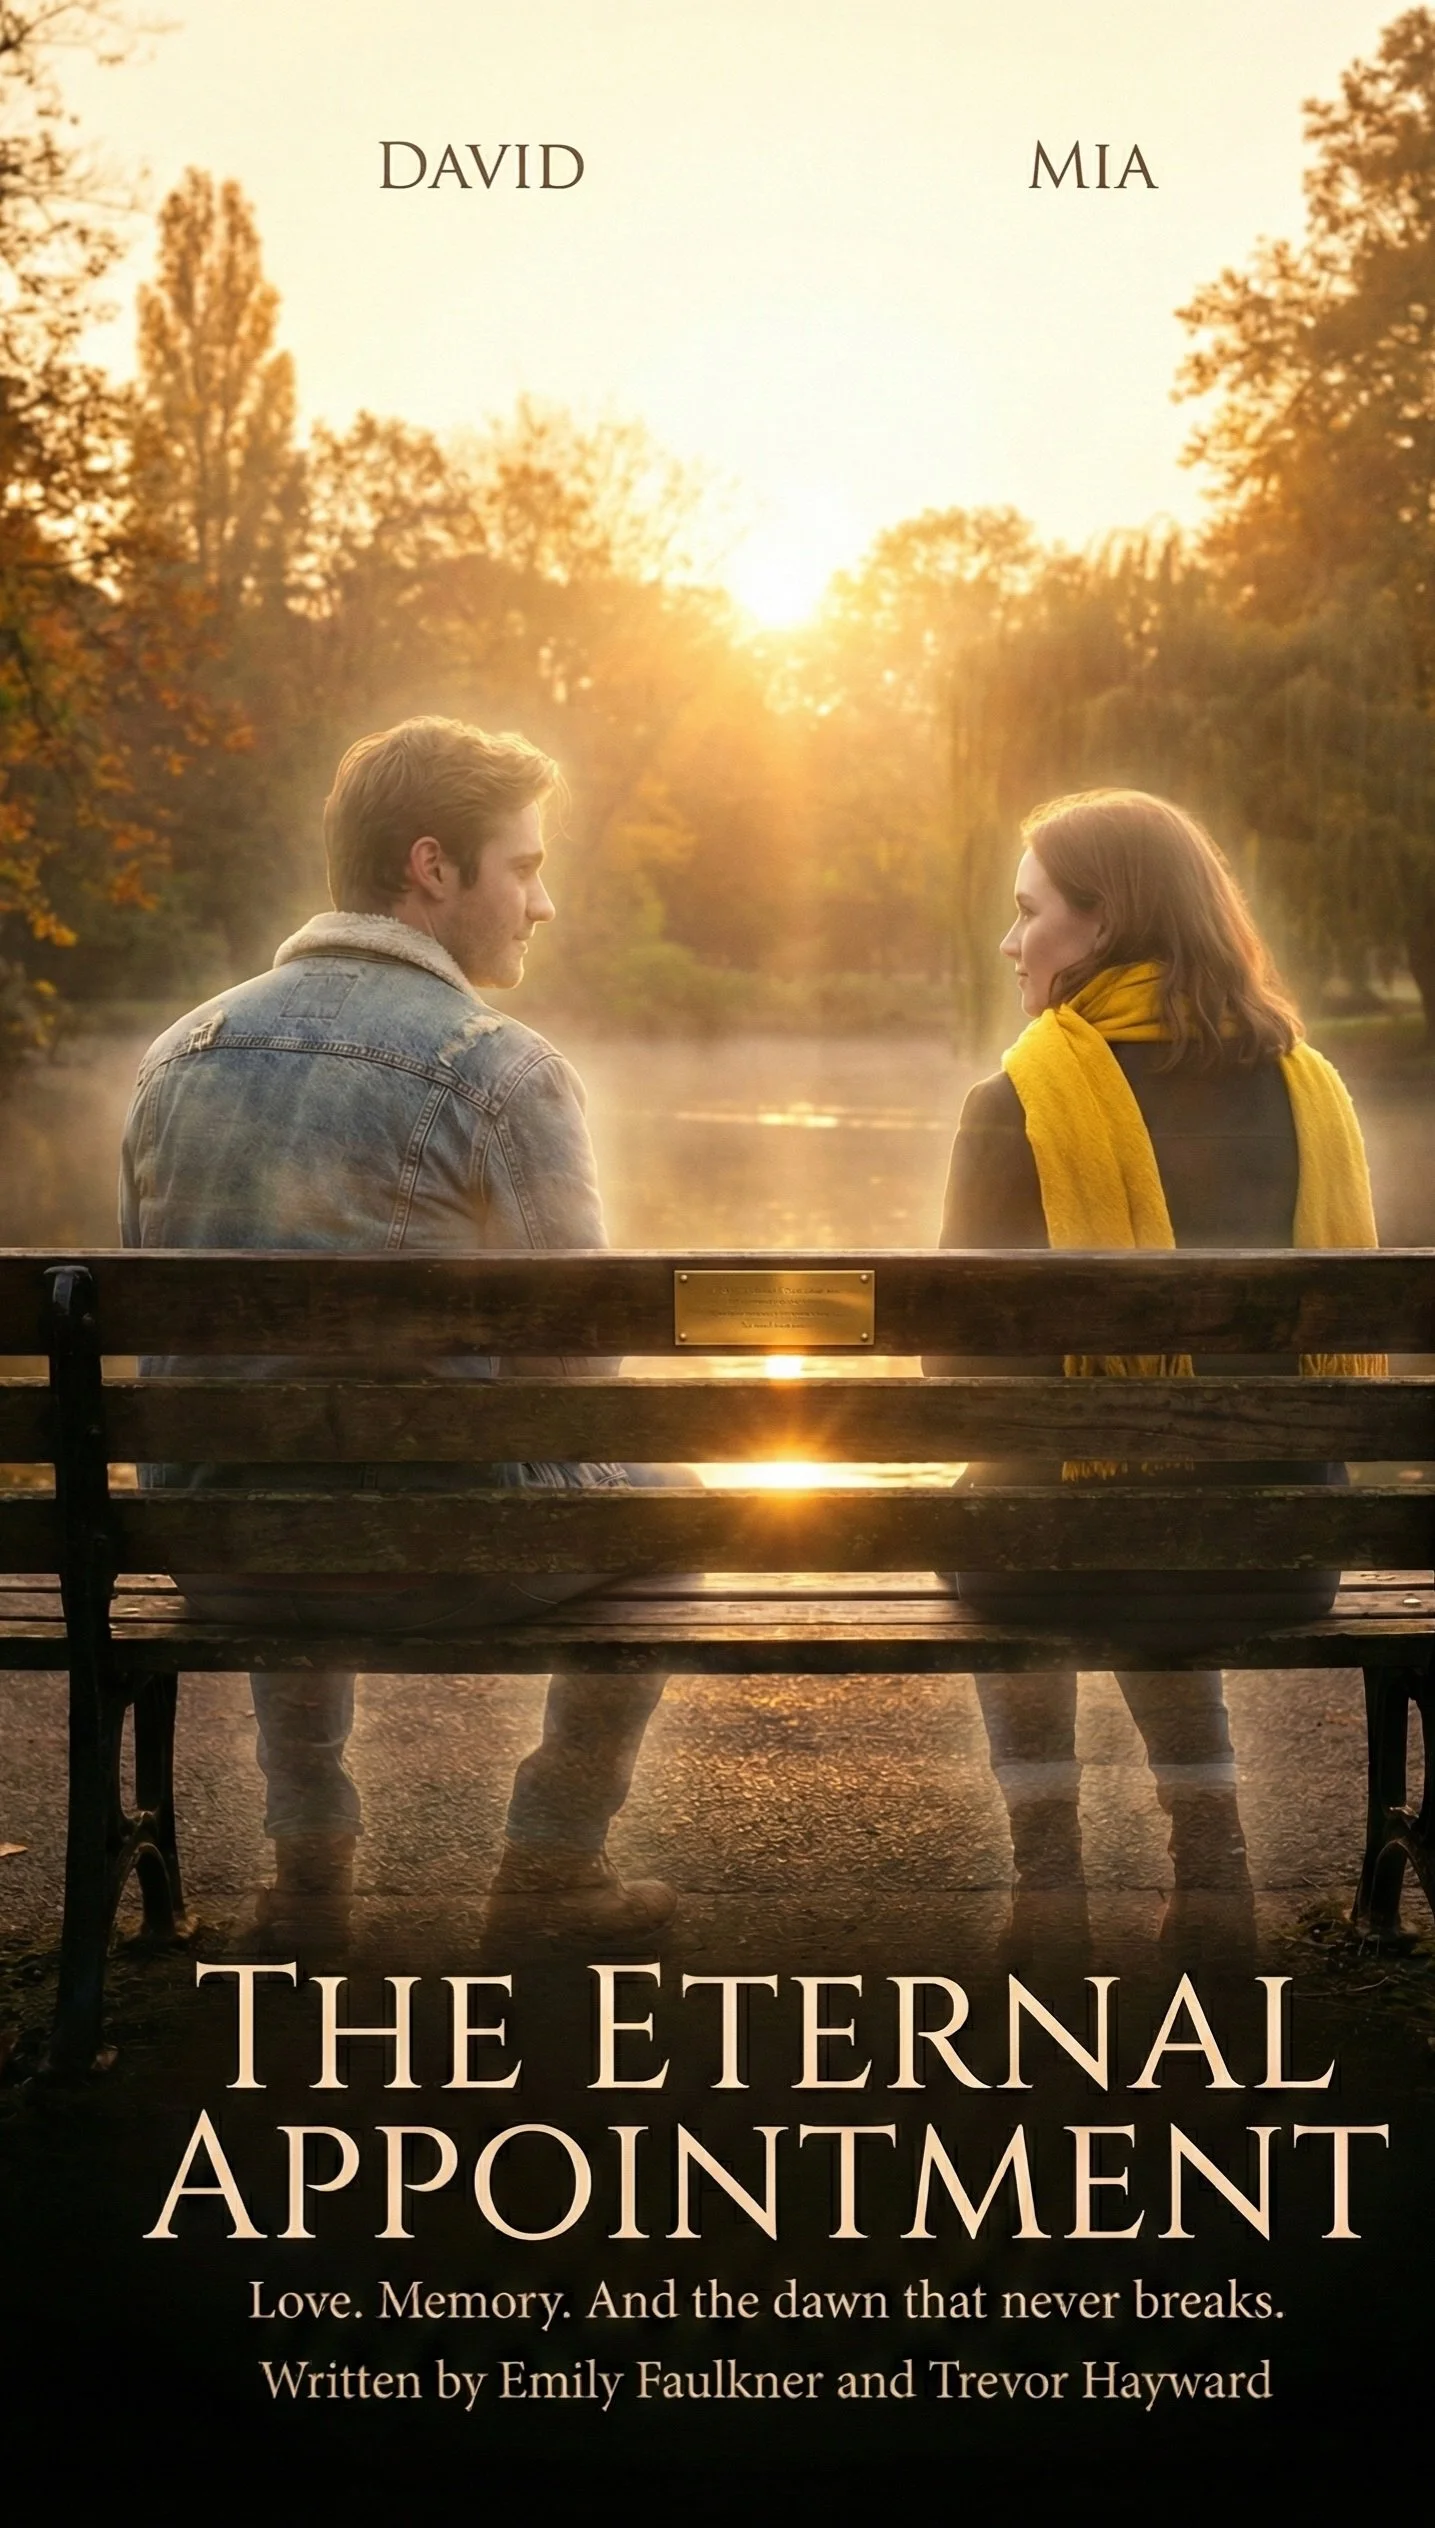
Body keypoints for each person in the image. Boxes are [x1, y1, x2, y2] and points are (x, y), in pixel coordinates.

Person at [119, 714, 678, 1950]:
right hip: (442, 1555)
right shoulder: (502, 1068)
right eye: (523, 867)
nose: (543, 902)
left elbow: (171, 1342)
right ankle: (550, 1859)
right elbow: (580, 1368)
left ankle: (307, 1867)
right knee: (677, 1501)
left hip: (220, 1546)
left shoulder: (174, 1057)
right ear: (432, 866)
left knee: (275, 1445)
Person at [935, 787, 1381, 1959]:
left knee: (1031, 1506)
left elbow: (948, 1373)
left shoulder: (1016, 1104)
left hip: (1061, 1562)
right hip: (1278, 1559)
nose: (1008, 941)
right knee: (1152, 1509)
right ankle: (1211, 1857)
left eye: (1027, 912)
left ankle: (1047, 1878)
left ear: (1103, 921)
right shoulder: (1310, 1095)